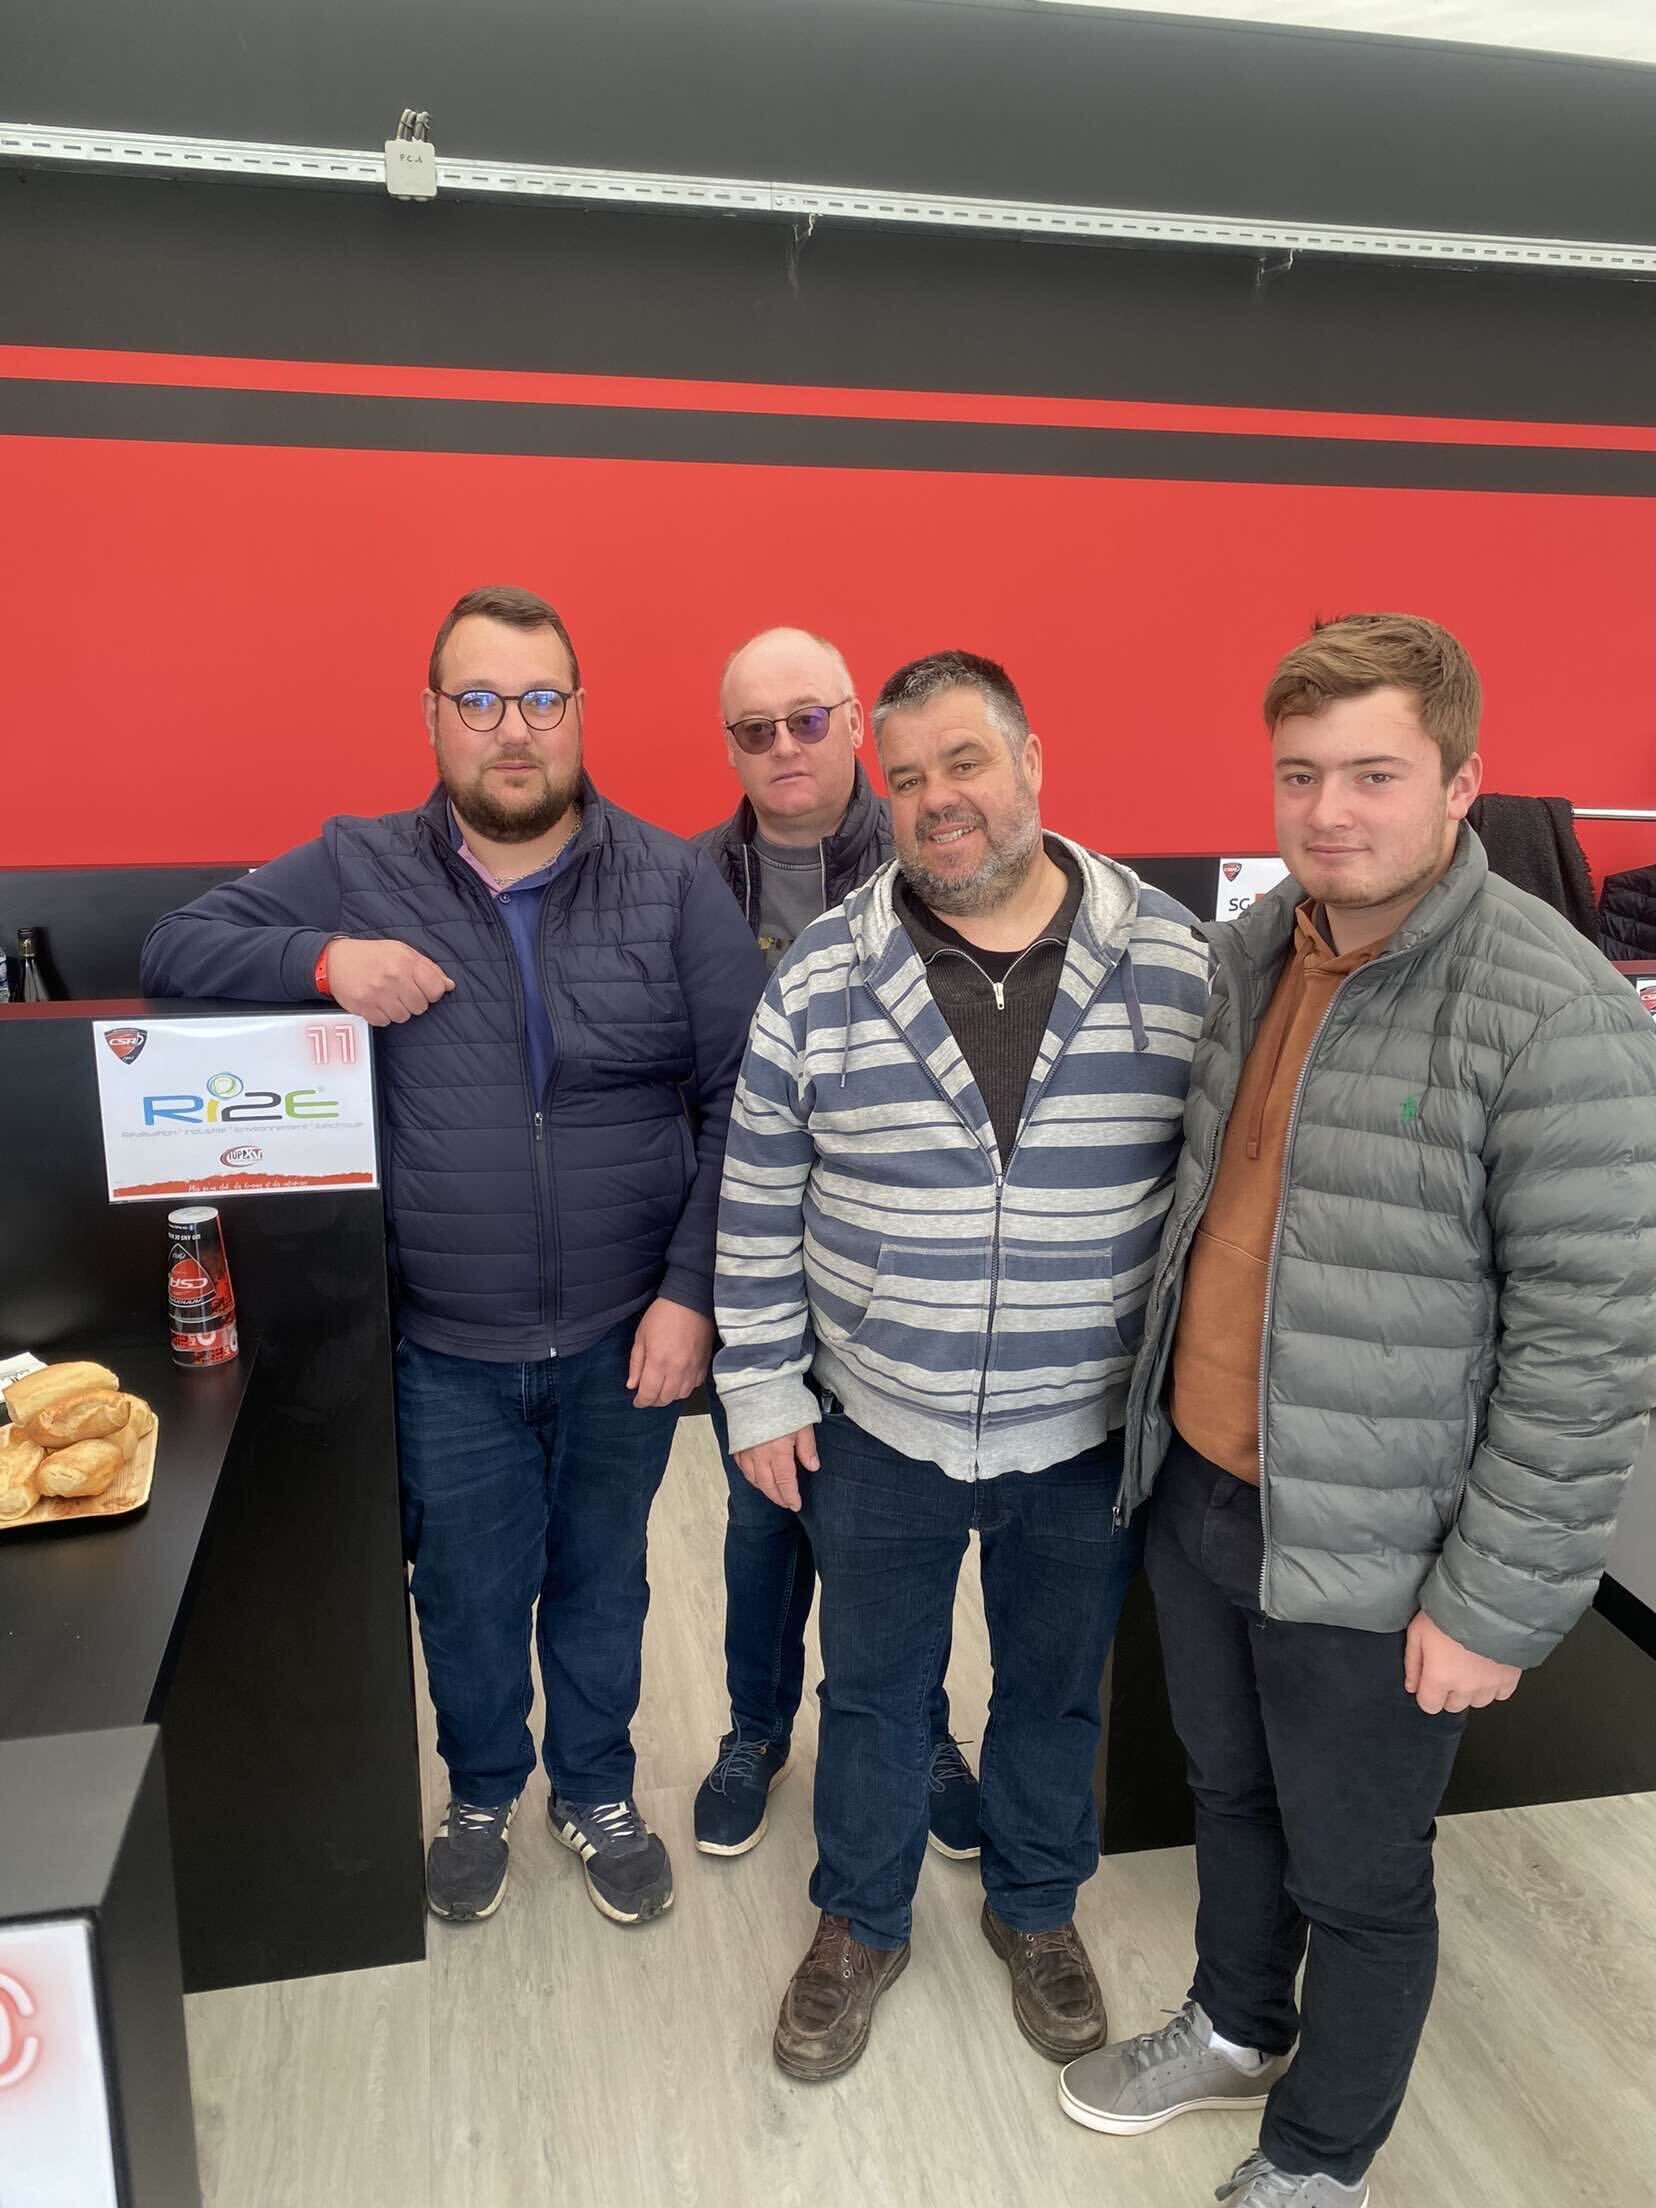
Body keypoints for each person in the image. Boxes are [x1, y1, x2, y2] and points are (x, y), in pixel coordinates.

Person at [1059, 614, 1656, 2207]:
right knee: (1230, 1797)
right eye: (1302, 774)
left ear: (1461, 783)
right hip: (1207, 1492)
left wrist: (1494, 1605)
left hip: (1385, 1547)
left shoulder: (1553, 1009)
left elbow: (1589, 1347)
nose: (1330, 811)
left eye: (1375, 774)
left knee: (1363, 1872)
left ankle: (1324, 2159)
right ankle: (1237, 2023)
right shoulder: (1256, 951)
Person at [141, 583, 767, 1931]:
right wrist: (326, 962)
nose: (513, 729)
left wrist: (691, 1296)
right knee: (470, 1594)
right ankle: (481, 1791)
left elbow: (749, 1104)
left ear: (580, 714)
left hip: (624, 1335)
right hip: (441, 1344)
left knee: (603, 1582)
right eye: (479, 700)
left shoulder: (670, 885)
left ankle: (594, 1789)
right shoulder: (357, 865)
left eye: (540, 699)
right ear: (432, 717)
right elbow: (175, 950)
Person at [714, 649, 1208, 2082]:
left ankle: (1036, 1906)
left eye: (966, 762)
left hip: (1085, 1425)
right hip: (880, 1420)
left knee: (1055, 1692)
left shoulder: (1173, 960)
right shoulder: (822, 975)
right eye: (910, 775)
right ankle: (861, 1921)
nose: (937, 799)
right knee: (875, 1693)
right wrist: (761, 1387)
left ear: (1031, 761)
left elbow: (1214, 1194)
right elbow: (757, 1197)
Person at [692, 626, 978, 1862]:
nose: (784, 746)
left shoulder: (934, 853)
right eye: (755, 730)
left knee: (900, 1537)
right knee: (763, 1524)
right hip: (757, 1262)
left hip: (898, 1273)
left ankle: (921, 1728)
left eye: (807, 719)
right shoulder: (689, 882)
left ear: (855, 722)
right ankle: (755, 1730)